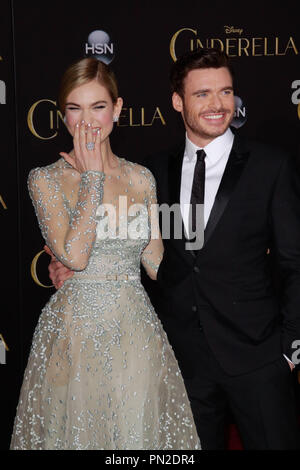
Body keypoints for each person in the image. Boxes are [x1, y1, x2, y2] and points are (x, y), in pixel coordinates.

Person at [49, 48, 300, 450]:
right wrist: (75, 267)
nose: (218, 105)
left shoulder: (270, 166)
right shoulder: (152, 172)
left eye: (225, 92)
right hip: (181, 363)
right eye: (202, 94)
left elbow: (294, 262)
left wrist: (289, 351)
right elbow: (146, 255)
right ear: (177, 101)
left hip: (257, 360)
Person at [10, 57, 200, 450]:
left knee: (134, 440)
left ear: (117, 109)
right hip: (74, 337)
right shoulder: (45, 180)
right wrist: (92, 177)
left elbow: (155, 263)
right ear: (62, 116)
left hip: (134, 334)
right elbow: (76, 257)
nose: (87, 121)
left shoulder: (140, 178)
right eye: (74, 109)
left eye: (98, 106)